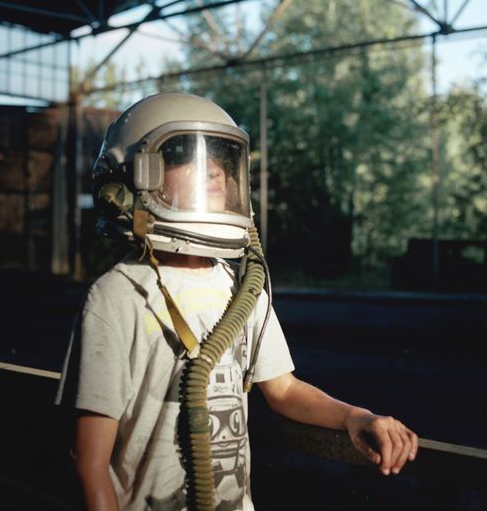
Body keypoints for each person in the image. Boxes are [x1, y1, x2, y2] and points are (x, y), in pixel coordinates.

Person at [56, 92, 418, 511]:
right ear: (133, 181)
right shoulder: (117, 297)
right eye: (184, 156)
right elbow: (90, 464)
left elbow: (283, 390)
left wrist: (356, 417)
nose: (213, 169)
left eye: (220, 158)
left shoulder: (241, 287)